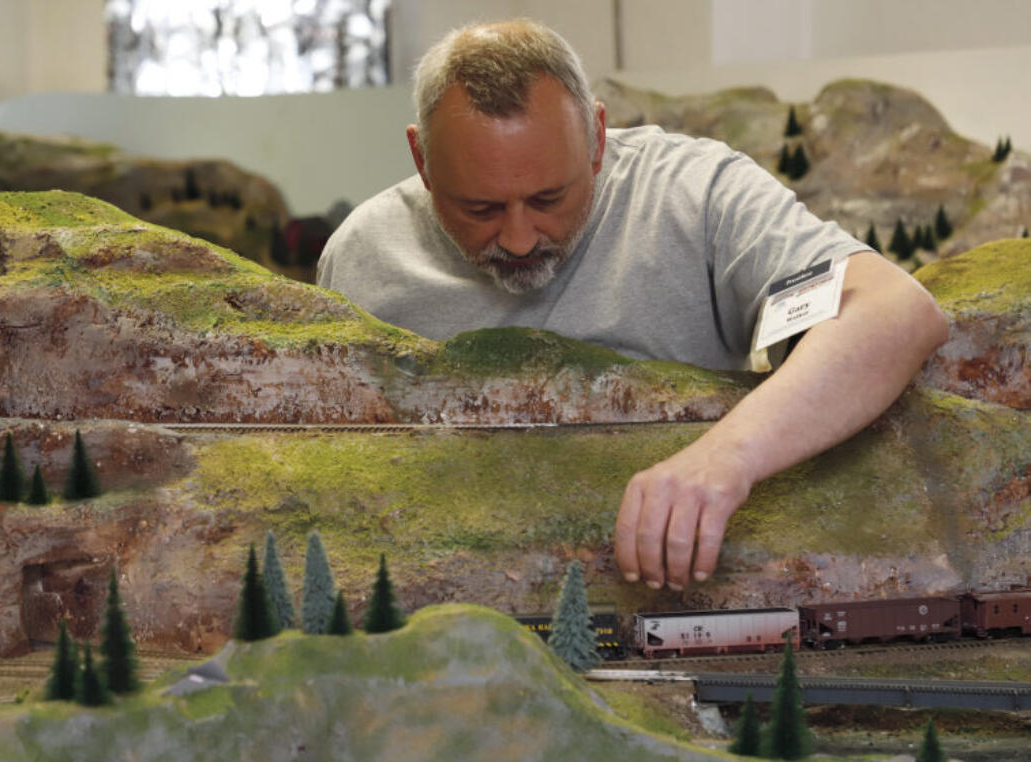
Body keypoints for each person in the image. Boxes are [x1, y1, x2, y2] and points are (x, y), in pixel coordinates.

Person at [316, 20, 948, 591]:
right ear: (422, 159)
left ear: (595, 137)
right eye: (479, 209)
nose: (517, 237)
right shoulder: (362, 257)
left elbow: (893, 309)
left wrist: (728, 457)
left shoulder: (695, 196)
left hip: (676, 588)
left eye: (548, 198)